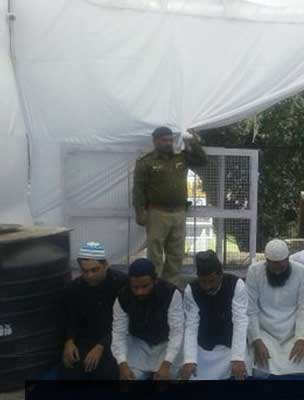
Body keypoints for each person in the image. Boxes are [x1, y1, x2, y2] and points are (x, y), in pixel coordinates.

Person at [132, 126, 207, 286]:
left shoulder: (181, 158)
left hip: (179, 212)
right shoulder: (146, 162)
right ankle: (155, 285)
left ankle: (171, 287)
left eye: (170, 140)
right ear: (155, 141)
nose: (168, 143)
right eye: (164, 140)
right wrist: (140, 212)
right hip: (157, 213)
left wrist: (193, 142)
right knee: (155, 253)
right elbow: (138, 190)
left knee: (176, 253)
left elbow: (202, 161)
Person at [246, 239, 304, 376]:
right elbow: (251, 309)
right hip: (265, 331)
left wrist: (301, 339)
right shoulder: (254, 271)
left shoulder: (302, 272)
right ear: (266, 261)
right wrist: (256, 340)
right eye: (274, 268)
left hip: (292, 331)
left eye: (282, 268)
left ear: (288, 259)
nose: (277, 272)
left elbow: (303, 308)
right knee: (260, 362)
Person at [61, 242, 127, 380]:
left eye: (95, 270)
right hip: (87, 338)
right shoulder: (75, 288)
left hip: (115, 338)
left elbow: (124, 322)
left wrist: (101, 346)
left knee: (109, 372)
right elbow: (70, 318)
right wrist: (69, 341)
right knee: (70, 370)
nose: (90, 275)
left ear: (106, 265)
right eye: (85, 271)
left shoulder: (121, 283)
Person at [111, 258, 184, 380]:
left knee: (171, 377)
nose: (140, 292)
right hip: (138, 345)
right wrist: (122, 364)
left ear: (155, 281)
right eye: (135, 287)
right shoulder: (122, 296)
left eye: (145, 286)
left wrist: (166, 364)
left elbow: (177, 331)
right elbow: (118, 333)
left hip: (166, 345)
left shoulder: (171, 293)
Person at [180, 250, 248, 380]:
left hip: (231, 345)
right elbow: (191, 325)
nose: (206, 286)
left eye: (211, 281)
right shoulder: (191, 290)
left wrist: (238, 358)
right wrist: (189, 359)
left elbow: (240, 321)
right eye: (202, 282)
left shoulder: (236, 284)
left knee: (241, 371)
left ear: (220, 275)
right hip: (204, 347)